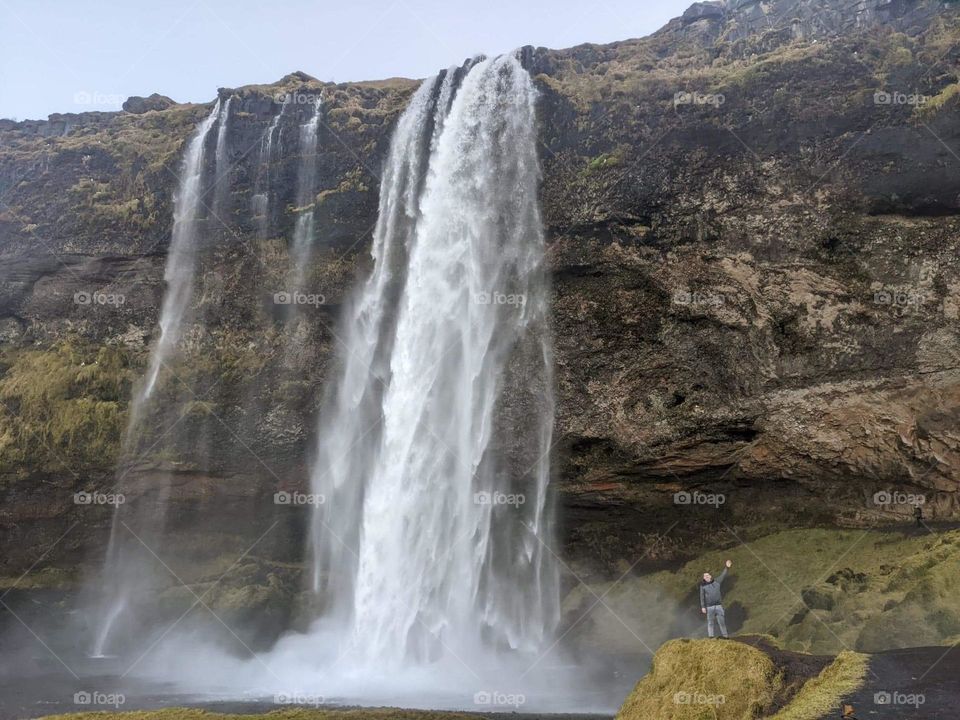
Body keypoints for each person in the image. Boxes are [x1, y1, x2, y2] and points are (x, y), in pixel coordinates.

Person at [700, 559, 732, 639]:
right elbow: (702, 596)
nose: (706, 577)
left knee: (722, 622)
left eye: (707, 575)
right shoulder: (703, 586)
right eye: (705, 576)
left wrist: (727, 567)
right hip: (709, 607)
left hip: (718, 606)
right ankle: (711, 637)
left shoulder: (717, 581)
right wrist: (703, 607)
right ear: (704, 578)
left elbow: (723, 575)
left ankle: (726, 637)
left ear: (710, 576)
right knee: (710, 622)